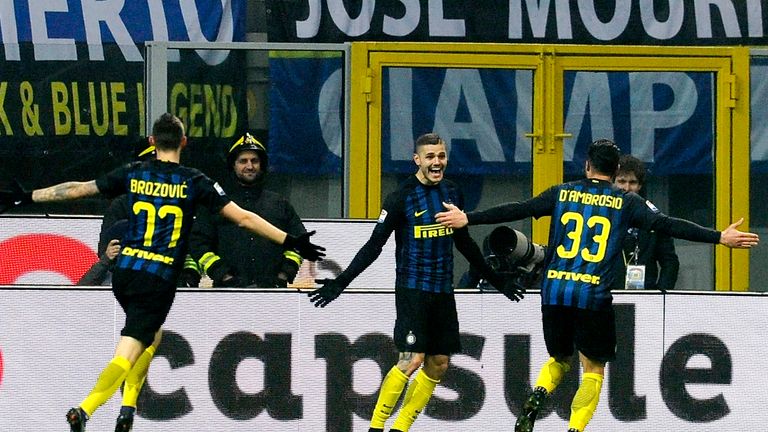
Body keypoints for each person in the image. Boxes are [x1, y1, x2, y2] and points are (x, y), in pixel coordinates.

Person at [0, 112, 325, 432]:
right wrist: (290, 239)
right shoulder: (193, 180)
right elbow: (244, 219)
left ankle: (127, 410)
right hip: (155, 276)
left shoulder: (133, 172)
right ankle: (85, 409)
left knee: (148, 338)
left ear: (153, 141)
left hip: (127, 270)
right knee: (129, 350)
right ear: (184, 142)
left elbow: (78, 189)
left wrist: (28, 196)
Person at [434, 139, 759, 432]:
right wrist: (719, 237)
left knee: (560, 359)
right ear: (616, 170)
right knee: (593, 367)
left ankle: (540, 393)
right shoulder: (626, 202)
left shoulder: (561, 192)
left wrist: (468, 218)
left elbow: (520, 209)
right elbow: (666, 225)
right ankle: (575, 428)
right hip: (591, 294)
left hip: (555, 290)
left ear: (587, 166)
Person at [308, 133, 524, 432]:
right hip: (412, 292)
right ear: (417, 160)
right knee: (411, 360)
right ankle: (377, 426)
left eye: (441, 156)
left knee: (439, 365)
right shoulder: (401, 198)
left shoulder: (452, 193)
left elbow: (465, 244)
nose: (437, 162)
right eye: (430, 157)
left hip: (443, 293)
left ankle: (401, 429)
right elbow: (374, 246)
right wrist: (340, 282)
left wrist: (497, 281)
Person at [189, 133, 307, 288]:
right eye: (243, 161)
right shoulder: (215, 204)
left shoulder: (279, 204)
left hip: (273, 295)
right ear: (233, 165)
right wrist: (222, 274)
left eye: (254, 161)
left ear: (261, 165)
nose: (249, 166)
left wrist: (284, 274)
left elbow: (300, 241)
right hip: (226, 295)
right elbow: (198, 243)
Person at [611, 154, 679, 290]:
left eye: (632, 182)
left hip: (645, 297)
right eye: (621, 181)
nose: (627, 187)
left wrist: (659, 295)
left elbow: (670, 262)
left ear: (640, 186)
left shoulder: (653, 218)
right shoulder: (601, 216)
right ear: (612, 183)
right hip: (607, 295)